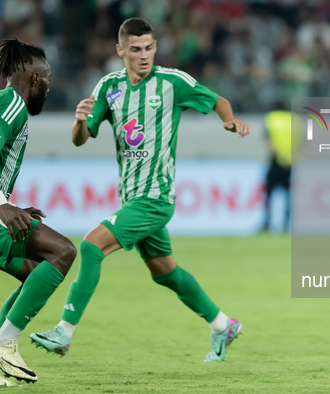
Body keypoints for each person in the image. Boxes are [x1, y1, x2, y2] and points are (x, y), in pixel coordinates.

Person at [30, 18, 250, 363]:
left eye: (149, 48)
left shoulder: (173, 82)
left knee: (90, 246)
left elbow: (218, 100)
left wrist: (229, 120)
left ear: (155, 47)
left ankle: (64, 331)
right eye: (135, 49)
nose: (144, 55)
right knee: (166, 273)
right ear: (121, 51)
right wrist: (78, 121)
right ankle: (223, 324)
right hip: (132, 196)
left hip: (157, 196)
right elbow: (80, 139)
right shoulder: (108, 87)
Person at [0, 37, 77, 385]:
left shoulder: (9, 107)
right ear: (34, 78)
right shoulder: (11, 105)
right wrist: (2, 204)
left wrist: (9, 203)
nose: (49, 85)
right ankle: (4, 344)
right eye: (47, 78)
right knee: (63, 251)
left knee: (35, 274)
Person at [261, 102, 298, 233]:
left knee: (269, 193)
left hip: (275, 160)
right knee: (287, 194)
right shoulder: (294, 119)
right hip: (289, 161)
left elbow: (267, 138)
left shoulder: (271, 118)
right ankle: (285, 224)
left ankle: (266, 222)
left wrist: (274, 152)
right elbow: (300, 140)